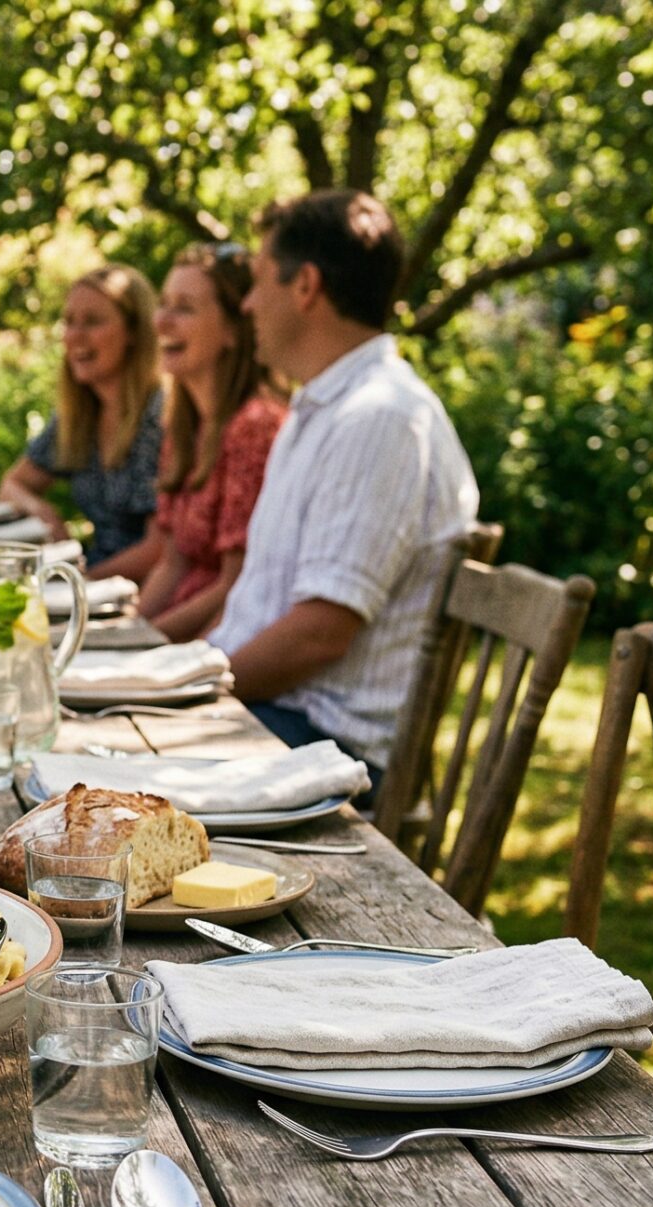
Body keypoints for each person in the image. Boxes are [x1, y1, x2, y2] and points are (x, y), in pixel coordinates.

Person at [207, 190, 479, 791]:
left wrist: (193, 690)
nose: (247, 304)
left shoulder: (379, 418)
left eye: (256, 282)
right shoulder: (323, 409)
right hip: (270, 721)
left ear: (305, 286)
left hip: (316, 746)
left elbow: (319, 634)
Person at [137, 244, 288, 640]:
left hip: (213, 647)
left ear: (232, 331)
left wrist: (144, 645)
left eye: (184, 308)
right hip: (170, 637)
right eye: (163, 304)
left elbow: (233, 587)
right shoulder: (185, 425)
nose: (162, 321)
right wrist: (124, 633)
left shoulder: (256, 428)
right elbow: (172, 565)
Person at [0, 264, 168, 580]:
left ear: (133, 332)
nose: (75, 336)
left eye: (93, 322)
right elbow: (12, 485)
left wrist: (77, 583)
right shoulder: (80, 415)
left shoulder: (159, 416)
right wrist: (42, 512)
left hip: (147, 593)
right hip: (94, 582)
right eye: (69, 322)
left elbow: (161, 550)